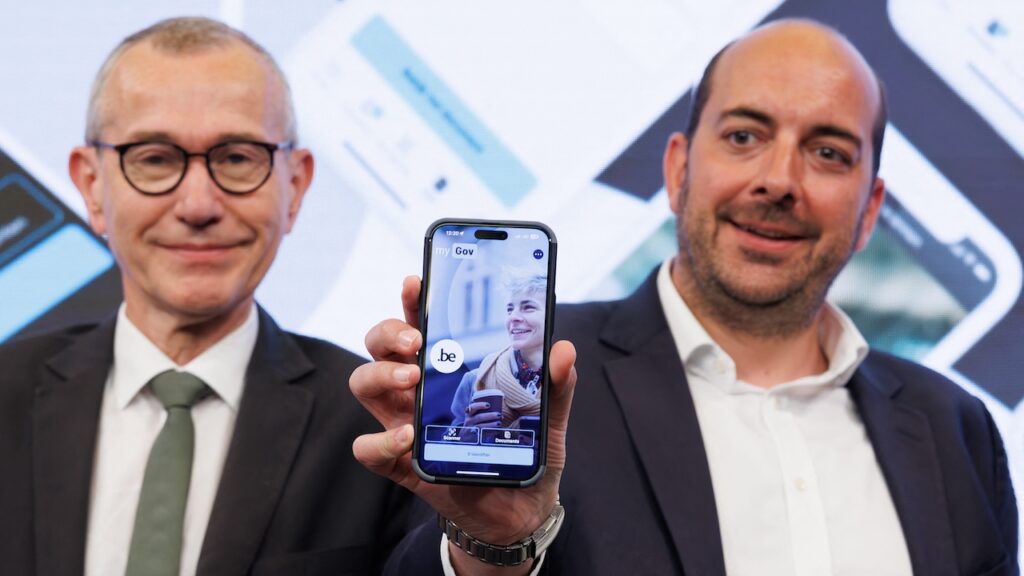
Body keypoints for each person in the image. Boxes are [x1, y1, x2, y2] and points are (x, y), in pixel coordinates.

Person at [350, 18, 1019, 576]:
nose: (780, 180)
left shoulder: (956, 432)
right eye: (744, 136)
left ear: (870, 209)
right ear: (676, 170)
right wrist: (492, 549)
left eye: (829, 153)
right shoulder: (533, 383)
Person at [0, 17, 411, 575]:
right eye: (154, 158)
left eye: (238, 158)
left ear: (294, 187)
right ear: (92, 187)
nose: (198, 205)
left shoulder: (380, 429)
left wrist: (493, 538)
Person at [450, 269, 548, 430]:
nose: (513, 317)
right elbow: (448, 439)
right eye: (510, 309)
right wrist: (465, 437)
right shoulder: (475, 379)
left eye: (528, 307)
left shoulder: (565, 382)